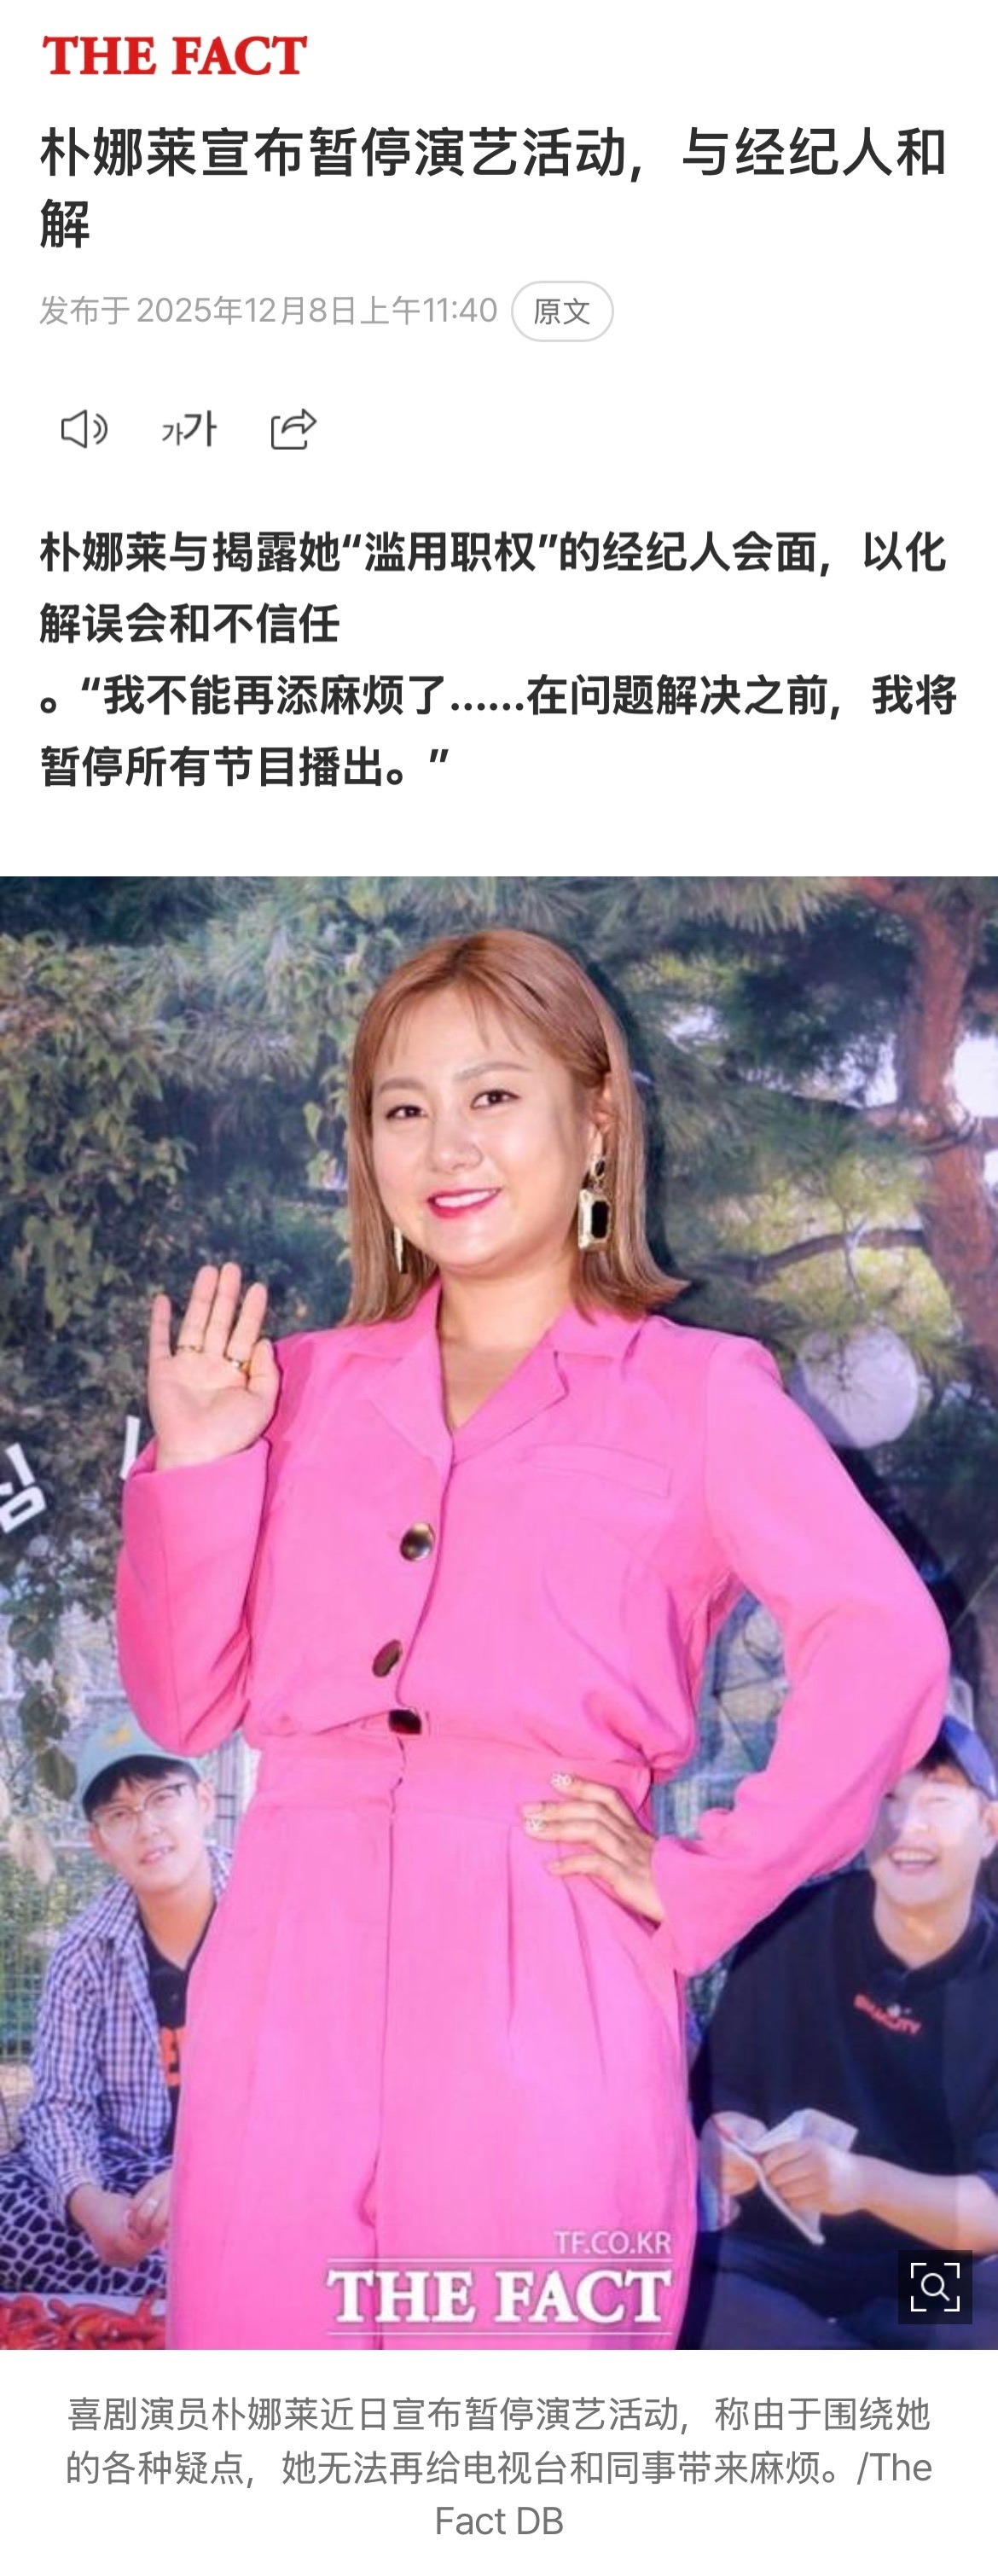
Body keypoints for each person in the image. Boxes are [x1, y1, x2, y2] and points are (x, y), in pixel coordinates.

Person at [114, 927, 951, 2351]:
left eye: (493, 1094)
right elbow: (184, 1703)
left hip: (545, 1955)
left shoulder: (697, 1392)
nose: (446, 1142)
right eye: (403, 1105)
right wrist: (198, 1461)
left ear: (596, 1119)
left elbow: (882, 1639)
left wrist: (703, 1879)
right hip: (289, 1961)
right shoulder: (287, 1387)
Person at [681, 1713, 998, 2348]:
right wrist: (724, 2138)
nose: (907, 1826)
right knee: (680, 2295)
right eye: (887, 1799)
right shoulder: (792, 1929)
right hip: (786, 2259)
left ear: (989, 1827)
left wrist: (863, 2184)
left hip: (927, 2275)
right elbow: (719, 2091)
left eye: (937, 1800)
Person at [0, 1710, 227, 2301]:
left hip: (250, 2161)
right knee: (14, 2210)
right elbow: (58, 2103)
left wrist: (201, 2173)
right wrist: (89, 2202)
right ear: (98, 1842)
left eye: (162, 1797)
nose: (147, 1827)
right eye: (120, 1814)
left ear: (204, 1802)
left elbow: (315, 2091)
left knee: (236, 2233)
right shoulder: (84, 1950)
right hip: (124, 2167)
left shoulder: (270, 1919)